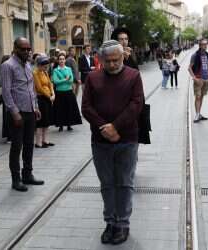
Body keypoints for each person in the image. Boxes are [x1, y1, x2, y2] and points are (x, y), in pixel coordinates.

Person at [82, 40, 144, 245]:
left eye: (116, 60)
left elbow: (137, 104)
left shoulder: (133, 76)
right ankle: (110, 222)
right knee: (107, 184)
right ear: (100, 59)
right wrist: (105, 128)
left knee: (125, 183)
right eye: (107, 61)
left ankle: (123, 224)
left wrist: (116, 127)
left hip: (127, 139)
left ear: (122, 57)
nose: (112, 64)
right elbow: (87, 107)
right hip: (100, 141)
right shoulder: (92, 77)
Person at [1, 37, 44, 192]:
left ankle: (28, 174)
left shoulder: (27, 65)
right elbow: (6, 92)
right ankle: (16, 179)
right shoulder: (8, 66)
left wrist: (36, 107)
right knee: (16, 147)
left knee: (29, 145)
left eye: (28, 49)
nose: (26, 51)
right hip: (17, 114)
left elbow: (31, 88)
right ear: (15, 48)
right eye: (23, 49)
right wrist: (14, 113)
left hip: (30, 111)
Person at [52, 53, 82, 132]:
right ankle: (60, 125)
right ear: (58, 61)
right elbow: (55, 81)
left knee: (69, 109)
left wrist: (62, 79)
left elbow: (71, 80)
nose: (61, 60)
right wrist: (65, 79)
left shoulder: (68, 69)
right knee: (60, 110)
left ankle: (69, 125)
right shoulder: (55, 70)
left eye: (63, 59)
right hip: (59, 92)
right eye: (60, 59)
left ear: (65, 60)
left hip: (68, 91)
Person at [34, 56, 56, 148]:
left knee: (47, 121)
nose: (46, 68)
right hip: (41, 99)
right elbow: (39, 88)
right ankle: (38, 143)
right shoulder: (35, 73)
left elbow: (50, 84)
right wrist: (49, 96)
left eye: (46, 66)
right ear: (39, 65)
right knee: (41, 122)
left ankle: (45, 140)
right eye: (44, 66)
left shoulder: (45, 72)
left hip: (48, 98)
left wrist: (53, 93)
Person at [188, 39, 208, 123]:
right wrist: (195, 78)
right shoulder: (195, 55)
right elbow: (189, 68)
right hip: (198, 79)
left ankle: (199, 113)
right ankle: (197, 114)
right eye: (203, 44)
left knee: (201, 97)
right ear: (200, 45)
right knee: (198, 97)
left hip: (206, 79)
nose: (205, 46)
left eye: (206, 44)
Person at [0, 55, 11, 142]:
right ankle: (9, 136)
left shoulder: (3, 70)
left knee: (6, 117)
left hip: (5, 97)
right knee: (8, 117)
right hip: (7, 97)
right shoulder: (6, 70)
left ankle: (8, 135)